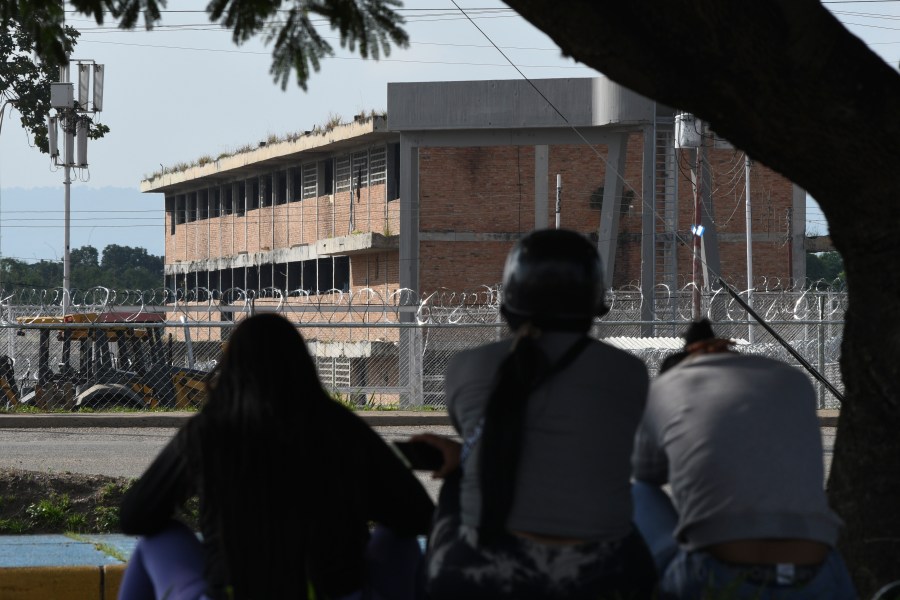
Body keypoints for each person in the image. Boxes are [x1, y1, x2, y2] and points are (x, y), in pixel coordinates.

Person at [117, 312, 435, 600]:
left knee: (156, 540)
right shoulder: (340, 427)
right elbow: (418, 514)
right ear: (302, 363)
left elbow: (135, 515)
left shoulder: (207, 432)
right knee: (399, 538)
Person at [414, 228, 658, 599]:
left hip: (480, 575)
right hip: (602, 574)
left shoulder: (466, 367)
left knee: (456, 483)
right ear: (594, 306)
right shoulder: (629, 372)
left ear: (509, 304)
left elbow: (488, 436)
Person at [631, 318, 857, 599]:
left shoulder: (666, 388)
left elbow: (647, 474)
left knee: (637, 492)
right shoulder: (794, 381)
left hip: (720, 571)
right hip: (818, 570)